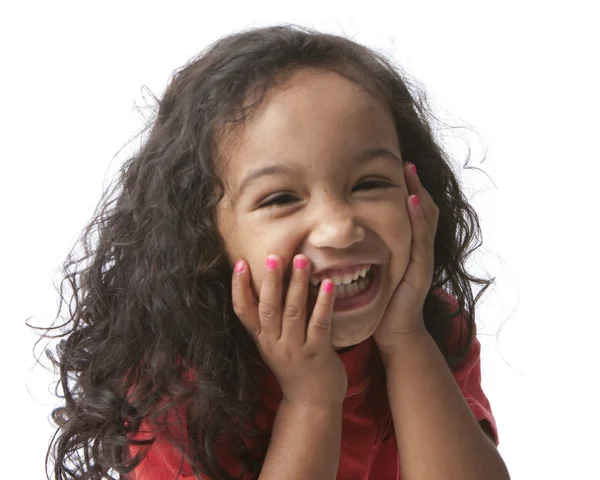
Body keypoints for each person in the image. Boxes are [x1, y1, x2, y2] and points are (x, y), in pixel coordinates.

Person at [44, 24, 509, 480]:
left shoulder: (434, 329)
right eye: (281, 198)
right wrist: (311, 399)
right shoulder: (171, 385)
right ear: (202, 235)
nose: (339, 229)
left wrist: (407, 342)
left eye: (370, 183)